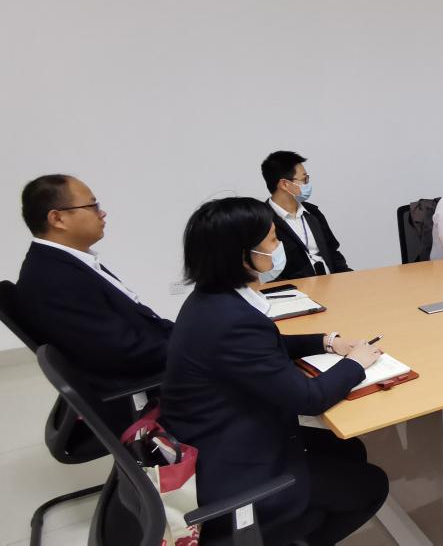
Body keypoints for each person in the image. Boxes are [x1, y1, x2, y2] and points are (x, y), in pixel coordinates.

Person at [162, 197, 388, 545]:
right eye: (272, 239)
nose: (278, 245)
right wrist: (356, 362)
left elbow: (262, 346)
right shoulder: (233, 320)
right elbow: (309, 398)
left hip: (217, 436)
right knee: (372, 485)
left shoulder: (211, 300)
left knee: (349, 450)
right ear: (242, 254)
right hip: (234, 470)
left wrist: (326, 341)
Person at [16, 174, 173, 432]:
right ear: (57, 219)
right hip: (138, 386)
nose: (102, 213)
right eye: (93, 206)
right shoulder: (55, 279)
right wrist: (194, 346)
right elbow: (123, 353)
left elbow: (137, 323)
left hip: (148, 360)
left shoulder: (64, 262)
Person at [261, 151, 352, 280]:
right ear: (285, 184)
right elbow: (267, 271)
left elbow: (333, 251)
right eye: (304, 179)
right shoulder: (263, 221)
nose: (307, 183)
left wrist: (348, 278)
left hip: (332, 283)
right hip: (297, 289)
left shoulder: (313, 212)